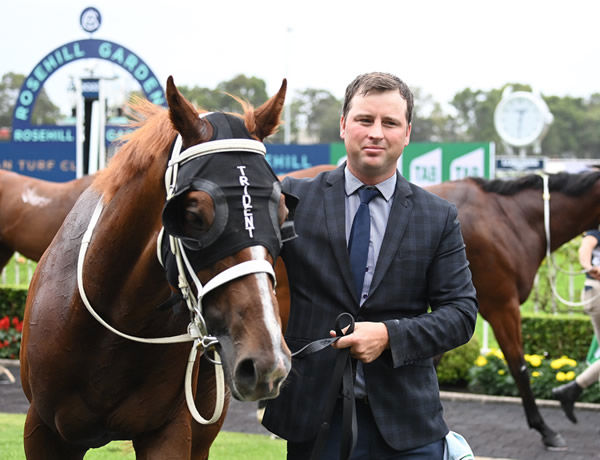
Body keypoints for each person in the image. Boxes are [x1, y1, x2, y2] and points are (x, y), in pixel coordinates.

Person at [262, 72, 479, 459]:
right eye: (365, 120)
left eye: (390, 122)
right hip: (314, 420)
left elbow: (461, 315)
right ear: (344, 124)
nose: (376, 132)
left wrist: (388, 335)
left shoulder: (438, 216)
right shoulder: (291, 198)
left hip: (409, 426)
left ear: (407, 133)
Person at [552, 228, 600, 423]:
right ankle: (572, 390)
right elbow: (586, 246)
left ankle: (571, 390)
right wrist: (588, 266)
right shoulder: (596, 230)